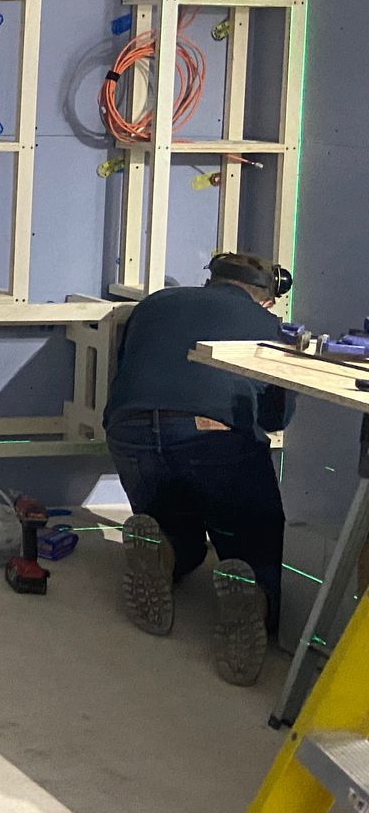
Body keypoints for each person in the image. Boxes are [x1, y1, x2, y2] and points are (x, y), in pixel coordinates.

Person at [104, 251, 294, 686]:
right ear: (267, 298)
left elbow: (127, 372)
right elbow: (275, 417)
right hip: (209, 439)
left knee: (179, 530)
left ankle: (167, 551)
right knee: (258, 543)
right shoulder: (269, 327)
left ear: (211, 281)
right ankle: (253, 592)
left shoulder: (155, 304)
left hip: (128, 433)